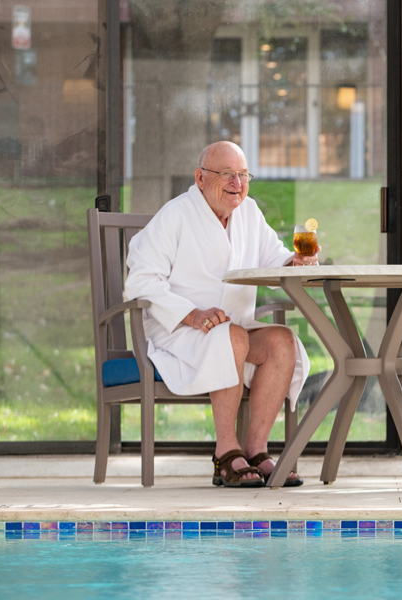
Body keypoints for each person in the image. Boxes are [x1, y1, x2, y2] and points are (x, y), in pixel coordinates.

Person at [125, 141, 319, 488]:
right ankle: (226, 452)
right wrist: (192, 315)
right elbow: (140, 282)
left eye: (244, 175)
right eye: (227, 174)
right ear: (200, 178)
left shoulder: (249, 213)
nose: (237, 183)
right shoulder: (175, 215)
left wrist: (295, 262)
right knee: (232, 337)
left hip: (234, 328)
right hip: (179, 331)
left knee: (282, 341)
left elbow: (274, 259)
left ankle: (257, 450)